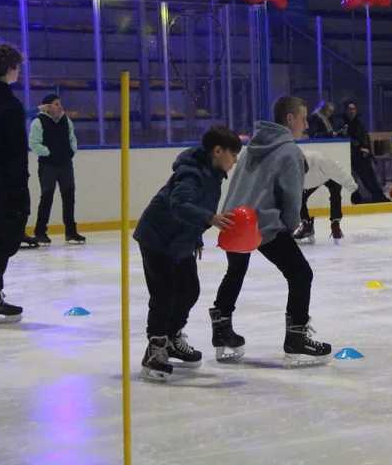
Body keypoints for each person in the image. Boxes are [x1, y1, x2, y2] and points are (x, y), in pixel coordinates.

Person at [210, 96, 333, 365]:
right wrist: (290, 225)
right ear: (290, 119)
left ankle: (221, 328)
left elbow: (238, 184)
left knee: (236, 271)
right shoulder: (289, 151)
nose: (306, 124)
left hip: (233, 221)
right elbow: (291, 197)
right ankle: (296, 336)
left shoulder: (254, 143)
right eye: (302, 118)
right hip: (261, 223)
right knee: (300, 274)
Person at [133, 126, 241, 382]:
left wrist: (196, 236)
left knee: (189, 289)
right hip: (157, 238)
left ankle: (171, 338)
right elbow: (180, 204)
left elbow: (196, 206)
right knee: (164, 293)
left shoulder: (212, 173)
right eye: (232, 154)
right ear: (217, 151)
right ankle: (155, 348)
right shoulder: (192, 172)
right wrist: (210, 219)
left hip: (179, 239)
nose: (235, 160)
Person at [0, 44, 31, 323]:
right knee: (1, 240)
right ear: (10, 69)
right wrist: (19, 193)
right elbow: (16, 154)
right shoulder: (9, 106)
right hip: (0, 187)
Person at [28, 93, 85, 244]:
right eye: (56, 104)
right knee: (47, 197)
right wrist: (48, 153)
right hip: (48, 165)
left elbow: (72, 139)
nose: (60, 107)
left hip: (65, 164)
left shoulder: (67, 121)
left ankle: (71, 231)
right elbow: (33, 143)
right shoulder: (38, 122)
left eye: (60, 104)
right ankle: (40, 232)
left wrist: (71, 151)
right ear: (47, 107)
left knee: (69, 197)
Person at [294, 144, 357, 243]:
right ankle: (306, 224)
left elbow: (338, 172)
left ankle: (335, 223)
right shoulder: (290, 169)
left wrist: (354, 190)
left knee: (335, 193)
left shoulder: (319, 159)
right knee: (298, 197)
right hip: (310, 182)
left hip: (328, 177)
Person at [340, 101, 391, 203]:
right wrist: (359, 148)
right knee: (365, 178)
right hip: (355, 155)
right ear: (346, 111)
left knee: (371, 176)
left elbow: (365, 135)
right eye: (350, 109)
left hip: (364, 154)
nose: (352, 111)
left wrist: (366, 147)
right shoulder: (343, 123)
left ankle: (378, 196)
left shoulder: (359, 122)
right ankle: (372, 197)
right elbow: (347, 139)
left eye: (353, 109)